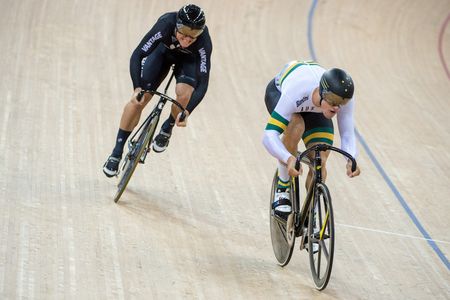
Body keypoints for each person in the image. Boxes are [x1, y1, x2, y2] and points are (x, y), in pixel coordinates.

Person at [103, 4, 213, 177]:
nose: (186, 39)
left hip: (188, 62)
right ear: (176, 24)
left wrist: (187, 111)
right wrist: (137, 87)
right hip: (163, 53)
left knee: (184, 93)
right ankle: (116, 152)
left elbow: (203, 84)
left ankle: (167, 127)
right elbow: (138, 54)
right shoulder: (166, 23)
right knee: (139, 100)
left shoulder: (203, 42)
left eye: (193, 35)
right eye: (183, 32)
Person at [262, 60, 361, 220]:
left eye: (342, 103)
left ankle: (311, 212)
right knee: (296, 125)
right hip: (280, 92)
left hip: (316, 109)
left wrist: (351, 159)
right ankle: (283, 186)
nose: (337, 108)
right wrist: (288, 158)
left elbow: (348, 135)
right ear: (322, 92)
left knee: (320, 159)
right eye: (333, 102)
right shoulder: (296, 90)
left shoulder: (342, 98)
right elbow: (269, 135)